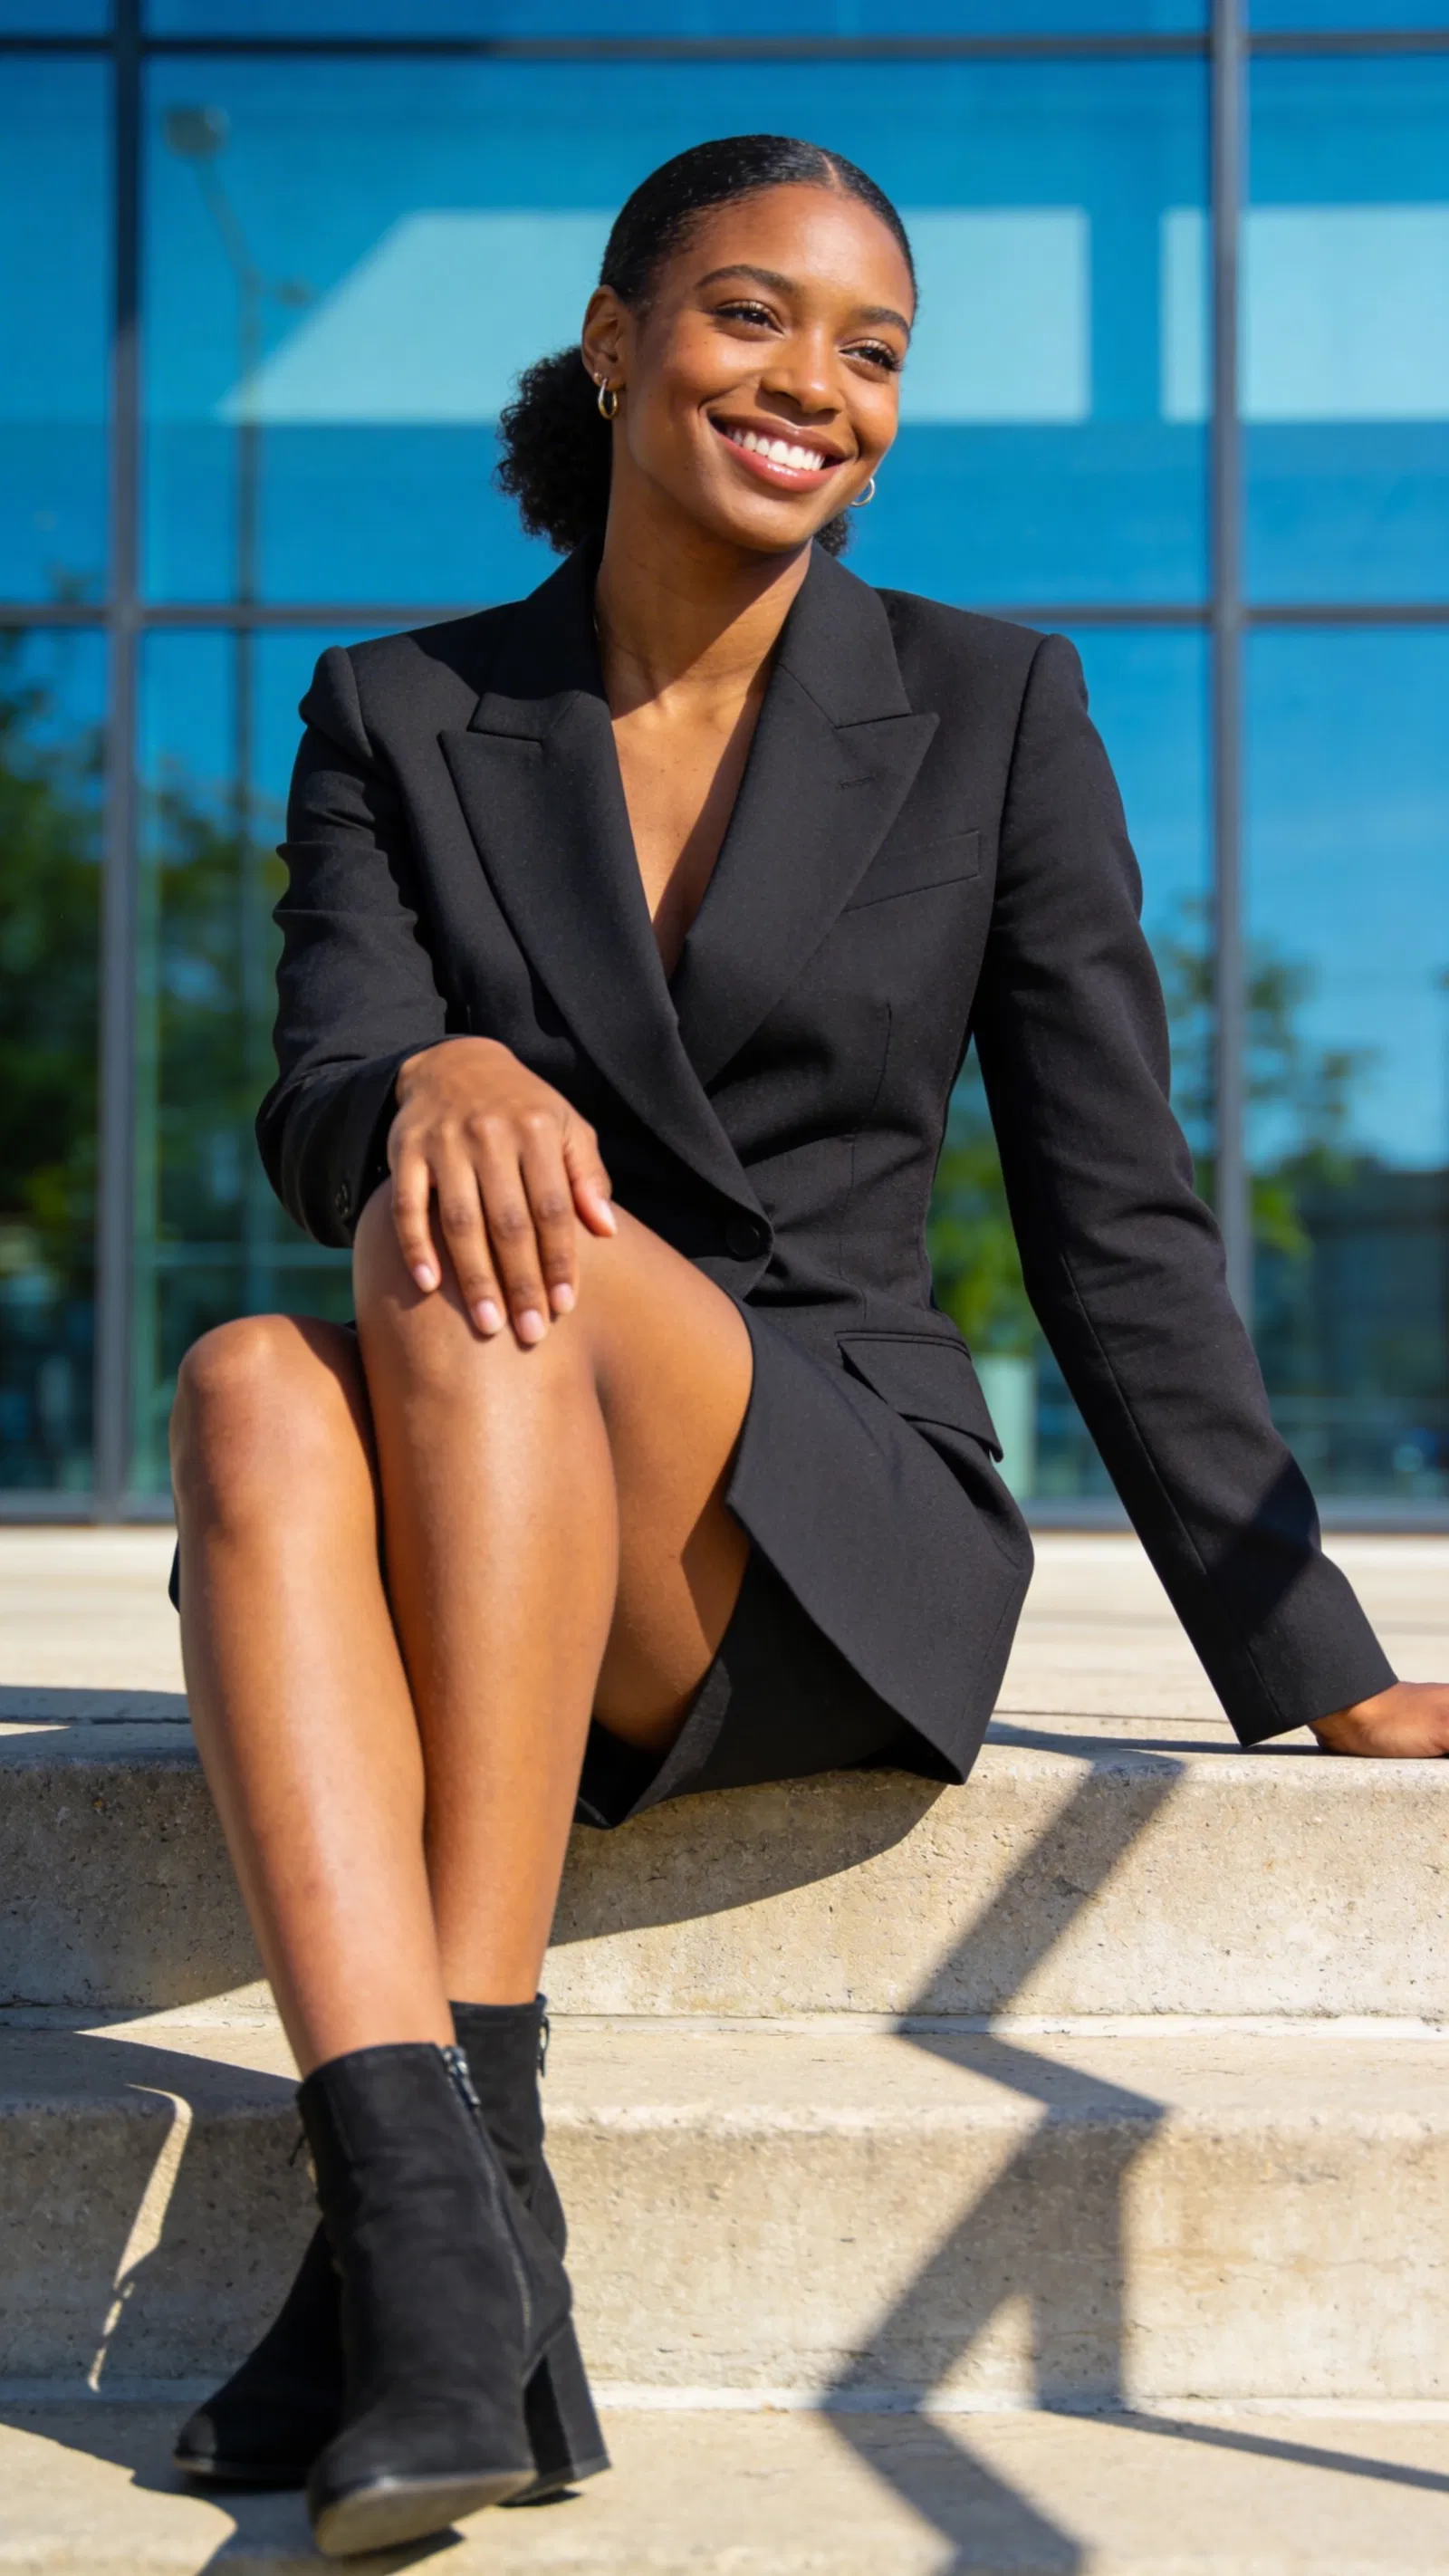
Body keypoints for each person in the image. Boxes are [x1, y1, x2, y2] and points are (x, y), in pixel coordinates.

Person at [166, 131, 1449, 2560]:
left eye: (875, 351)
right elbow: (327, 1086)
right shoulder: (398, 710)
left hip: (814, 1516)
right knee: (250, 1371)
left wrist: (1318, 1656)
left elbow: (1117, 1216)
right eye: (755, 315)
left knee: (493, 1232)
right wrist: (426, 1064)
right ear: (618, 339)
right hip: (491, 1474)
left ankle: (436, 2216)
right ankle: (454, 2211)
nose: (816, 385)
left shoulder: (992, 708)